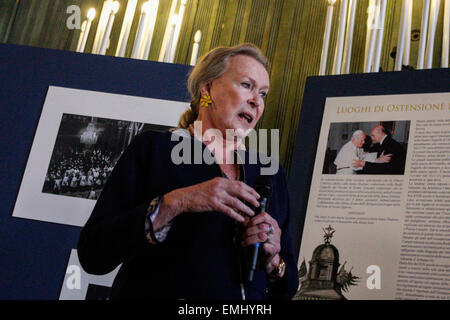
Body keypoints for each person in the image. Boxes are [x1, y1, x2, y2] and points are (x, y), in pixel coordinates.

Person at [77, 43, 299, 300]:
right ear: (207, 89)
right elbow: (93, 254)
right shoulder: (154, 150)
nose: (256, 101)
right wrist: (176, 202)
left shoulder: (270, 172)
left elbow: (287, 287)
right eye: (246, 85)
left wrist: (273, 261)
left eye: (263, 94)